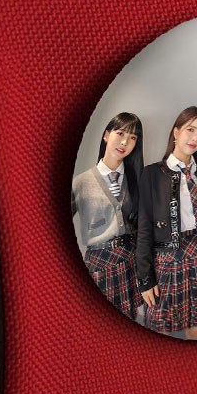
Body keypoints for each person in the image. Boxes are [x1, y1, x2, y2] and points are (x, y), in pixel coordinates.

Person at [136, 106, 197, 340]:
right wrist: (145, 278)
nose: (195, 138)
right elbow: (144, 227)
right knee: (161, 332)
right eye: (190, 130)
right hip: (166, 263)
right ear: (176, 132)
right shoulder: (153, 174)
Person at [71, 112, 145, 319]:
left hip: (131, 262)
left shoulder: (137, 180)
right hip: (99, 264)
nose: (125, 142)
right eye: (120, 133)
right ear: (106, 135)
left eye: (132, 137)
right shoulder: (81, 183)